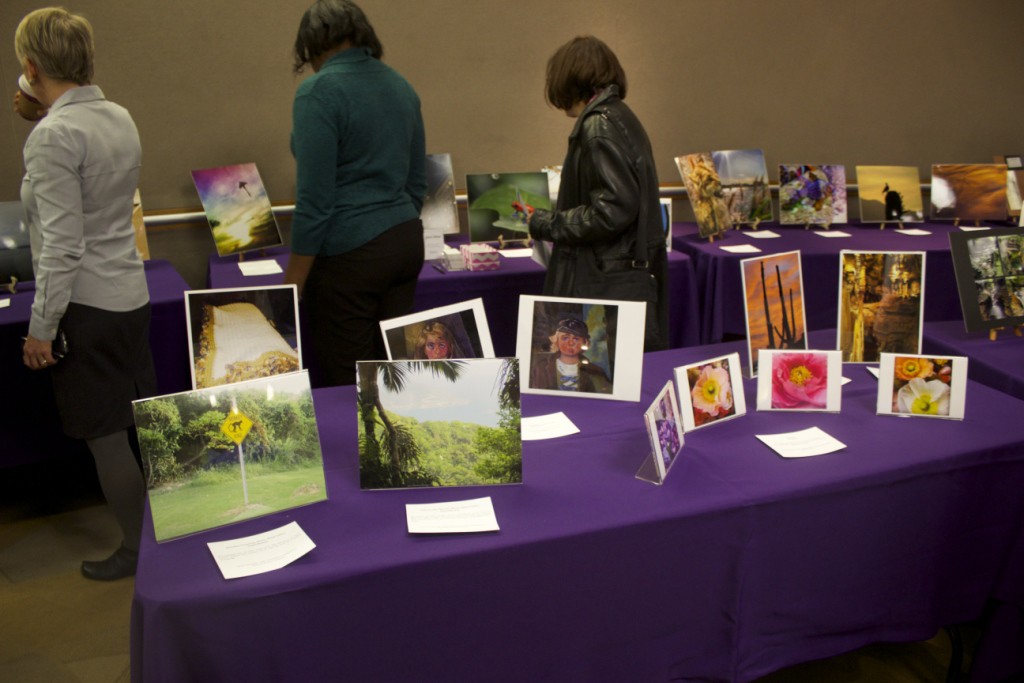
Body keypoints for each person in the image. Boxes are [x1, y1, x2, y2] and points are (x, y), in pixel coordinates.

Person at [16, 7, 156, 581]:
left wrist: (41, 327)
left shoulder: (52, 136)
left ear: (30, 67)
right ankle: (165, 540)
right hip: (129, 291)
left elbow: (61, 247)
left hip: (87, 304)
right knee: (137, 428)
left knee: (104, 438)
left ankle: (136, 553)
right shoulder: (117, 115)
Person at [285, 0, 427, 386]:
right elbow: (417, 181)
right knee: (399, 376)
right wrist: (389, 220)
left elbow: (314, 200)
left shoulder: (318, 91)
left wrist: (292, 284)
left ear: (311, 45)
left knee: (351, 384)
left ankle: (359, 448)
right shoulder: (401, 85)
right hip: (405, 242)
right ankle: (400, 446)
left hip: (349, 256)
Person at [523, 36, 668, 352]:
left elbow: (612, 209)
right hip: (622, 271)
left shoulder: (598, 126)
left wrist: (546, 223)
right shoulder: (622, 116)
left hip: (603, 277)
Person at [529, 317, 612, 394]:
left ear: (585, 342)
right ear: (556, 340)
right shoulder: (540, 368)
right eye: (565, 338)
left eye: (576, 339)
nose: (571, 343)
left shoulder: (596, 372)